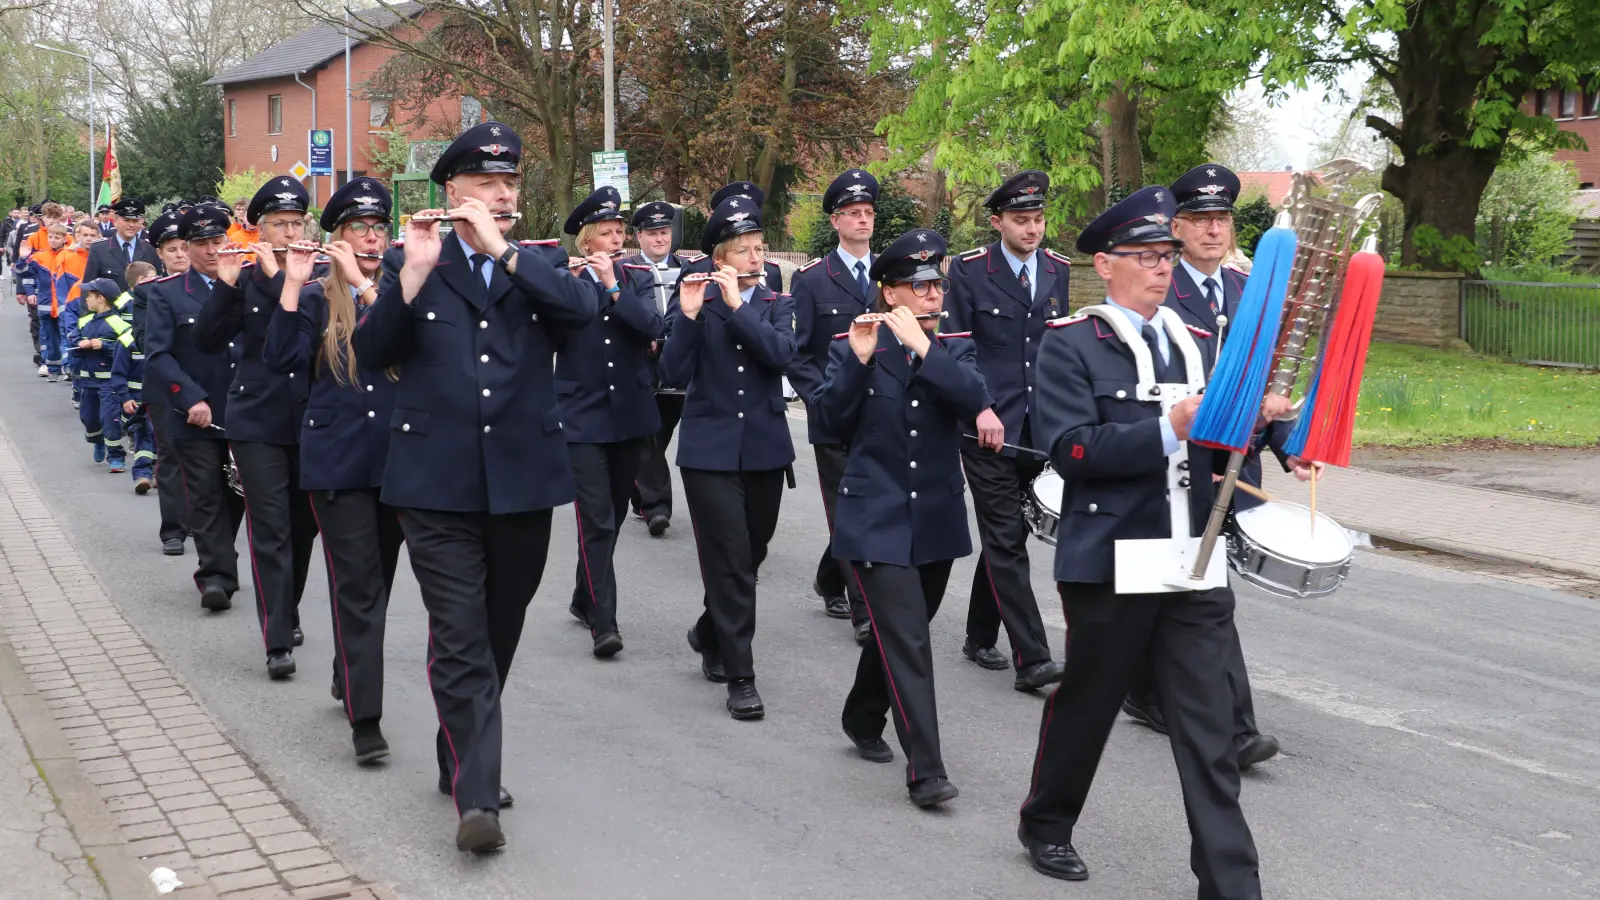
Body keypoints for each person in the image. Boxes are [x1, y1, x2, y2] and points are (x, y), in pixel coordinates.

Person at [1015, 185, 1303, 898]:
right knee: (1089, 703)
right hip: (1114, 558)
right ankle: (1047, 822)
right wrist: (1166, 428)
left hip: (1194, 559)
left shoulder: (1198, 343)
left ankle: (1231, 883)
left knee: (1208, 727)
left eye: (1167, 256)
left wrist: (1263, 424)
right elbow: (1069, 450)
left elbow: (1221, 441)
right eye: (1145, 257)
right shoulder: (1071, 343)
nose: (1162, 268)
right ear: (1105, 265)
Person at [352, 120, 596, 854]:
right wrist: (410, 279)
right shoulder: (412, 258)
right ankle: (478, 797)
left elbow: (582, 317)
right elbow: (371, 353)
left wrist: (504, 253)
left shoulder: (538, 263)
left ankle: (456, 748)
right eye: (486, 183)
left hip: (522, 478)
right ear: (452, 189)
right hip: (434, 481)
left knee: (498, 629)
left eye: (509, 183)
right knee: (459, 635)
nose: (501, 193)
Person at [1118, 163, 1291, 770]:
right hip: (1173, 463)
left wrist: (1289, 442)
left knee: (1182, 589)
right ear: (1178, 228)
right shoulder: (1155, 288)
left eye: (1222, 220)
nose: (1214, 230)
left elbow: (1268, 378)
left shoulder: (1249, 289)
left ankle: (1143, 688)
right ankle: (1235, 729)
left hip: (1234, 465)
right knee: (1208, 594)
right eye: (1200, 220)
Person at [815, 228, 990, 809]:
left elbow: (974, 399)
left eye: (937, 284)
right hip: (874, 517)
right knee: (910, 639)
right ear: (889, 294)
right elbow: (828, 424)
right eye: (919, 286)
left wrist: (926, 348)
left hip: (935, 518)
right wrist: (858, 363)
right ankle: (927, 770)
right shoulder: (854, 344)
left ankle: (862, 713)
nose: (933, 294)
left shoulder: (954, 349)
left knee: (901, 632)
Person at [265, 178, 403, 765]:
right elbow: (279, 359)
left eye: (378, 229)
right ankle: (366, 719)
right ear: (338, 238)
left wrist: (369, 289)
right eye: (358, 229)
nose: (371, 238)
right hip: (337, 462)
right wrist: (291, 285)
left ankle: (349, 669)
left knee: (381, 584)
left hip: (396, 461)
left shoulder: (399, 292)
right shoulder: (316, 298)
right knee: (359, 586)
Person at [660, 195, 797, 721]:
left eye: (760, 248)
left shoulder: (776, 303)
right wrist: (689, 316)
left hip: (765, 449)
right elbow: (672, 374)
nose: (756, 257)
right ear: (720, 259)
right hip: (709, 453)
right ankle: (742, 677)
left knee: (752, 554)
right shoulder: (696, 299)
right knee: (731, 562)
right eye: (744, 250)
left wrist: (740, 308)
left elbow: (781, 356)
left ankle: (708, 630)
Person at [944, 170, 1066, 692]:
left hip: (1038, 431)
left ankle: (978, 636)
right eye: (1021, 220)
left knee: (1009, 534)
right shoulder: (970, 271)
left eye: (1038, 219)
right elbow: (957, 345)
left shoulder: (1058, 270)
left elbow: (1057, 353)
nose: (1032, 228)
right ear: (997, 223)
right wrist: (980, 407)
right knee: (1005, 536)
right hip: (986, 428)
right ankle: (1032, 658)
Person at [197, 176, 318, 680]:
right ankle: (276, 637)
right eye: (279, 225)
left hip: (312, 418)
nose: (290, 233)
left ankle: (288, 607)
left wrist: (277, 276)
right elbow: (207, 340)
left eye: (297, 223)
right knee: (269, 528)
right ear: (259, 230)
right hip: (256, 419)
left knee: (304, 529)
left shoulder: (320, 274)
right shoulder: (245, 278)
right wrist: (225, 286)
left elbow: (305, 331)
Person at [556, 186, 663, 656]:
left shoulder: (636, 277)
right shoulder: (565, 278)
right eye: (607, 232)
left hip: (629, 414)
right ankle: (605, 623)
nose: (617, 239)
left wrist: (614, 287)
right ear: (587, 239)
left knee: (614, 516)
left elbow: (653, 328)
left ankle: (585, 596)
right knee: (596, 519)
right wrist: (579, 283)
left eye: (620, 231)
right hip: (581, 415)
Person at [788, 169, 879, 640]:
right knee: (848, 511)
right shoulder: (812, 280)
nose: (863, 220)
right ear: (835, 221)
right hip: (834, 415)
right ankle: (867, 613)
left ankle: (830, 578)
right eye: (853, 213)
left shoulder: (889, 276)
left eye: (868, 212)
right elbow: (800, 353)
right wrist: (820, 400)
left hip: (881, 413)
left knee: (871, 506)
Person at [143, 204, 247, 612]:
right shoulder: (167, 292)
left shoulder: (249, 283)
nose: (211, 250)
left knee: (236, 496)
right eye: (201, 244)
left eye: (217, 241)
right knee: (205, 495)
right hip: (195, 415)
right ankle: (215, 576)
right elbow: (158, 356)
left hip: (244, 410)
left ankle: (222, 555)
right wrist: (190, 398)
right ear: (186, 248)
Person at [623, 200, 700, 535]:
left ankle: (638, 489)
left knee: (662, 431)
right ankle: (656, 506)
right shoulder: (625, 269)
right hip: (640, 356)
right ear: (639, 237)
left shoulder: (689, 268)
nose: (660, 239)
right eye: (652, 233)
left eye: (665, 232)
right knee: (647, 433)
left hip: (677, 358)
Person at [134, 208, 194, 555]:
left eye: (185, 247)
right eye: (172, 250)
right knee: (170, 455)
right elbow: (144, 339)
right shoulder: (148, 291)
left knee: (207, 456)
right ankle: (174, 529)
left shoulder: (214, 285)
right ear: (160, 254)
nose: (180, 255)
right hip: (164, 384)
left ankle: (204, 520)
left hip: (206, 381)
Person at [109, 262, 161, 493]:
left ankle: (158, 473)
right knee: (143, 436)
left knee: (160, 438)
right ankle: (142, 475)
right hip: (138, 400)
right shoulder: (127, 341)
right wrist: (125, 397)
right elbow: (118, 373)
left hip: (161, 398)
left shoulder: (164, 338)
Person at [73, 278, 133, 472]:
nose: (86, 299)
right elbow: (72, 339)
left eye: (89, 295)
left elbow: (128, 349)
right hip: (87, 381)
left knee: (111, 419)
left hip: (108, 381)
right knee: (88, 418)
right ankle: (97, 440)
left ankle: (116, 457)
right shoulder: (85, 321)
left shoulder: (118, 323)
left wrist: (105, 345)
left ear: (101, 298)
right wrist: (80, 343)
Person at [676, 182, 784, 290]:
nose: (755, 259)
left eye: (759, 249)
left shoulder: (772, 271)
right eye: (742, 251)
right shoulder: (697, 268)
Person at [86, 198, 159, 294]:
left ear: (141, 222)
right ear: (115, 221)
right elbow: (89, 288)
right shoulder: (98, 249)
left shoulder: (150, 249)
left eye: (135, 221)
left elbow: (158, 287)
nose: (131, 225)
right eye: (127, 220)